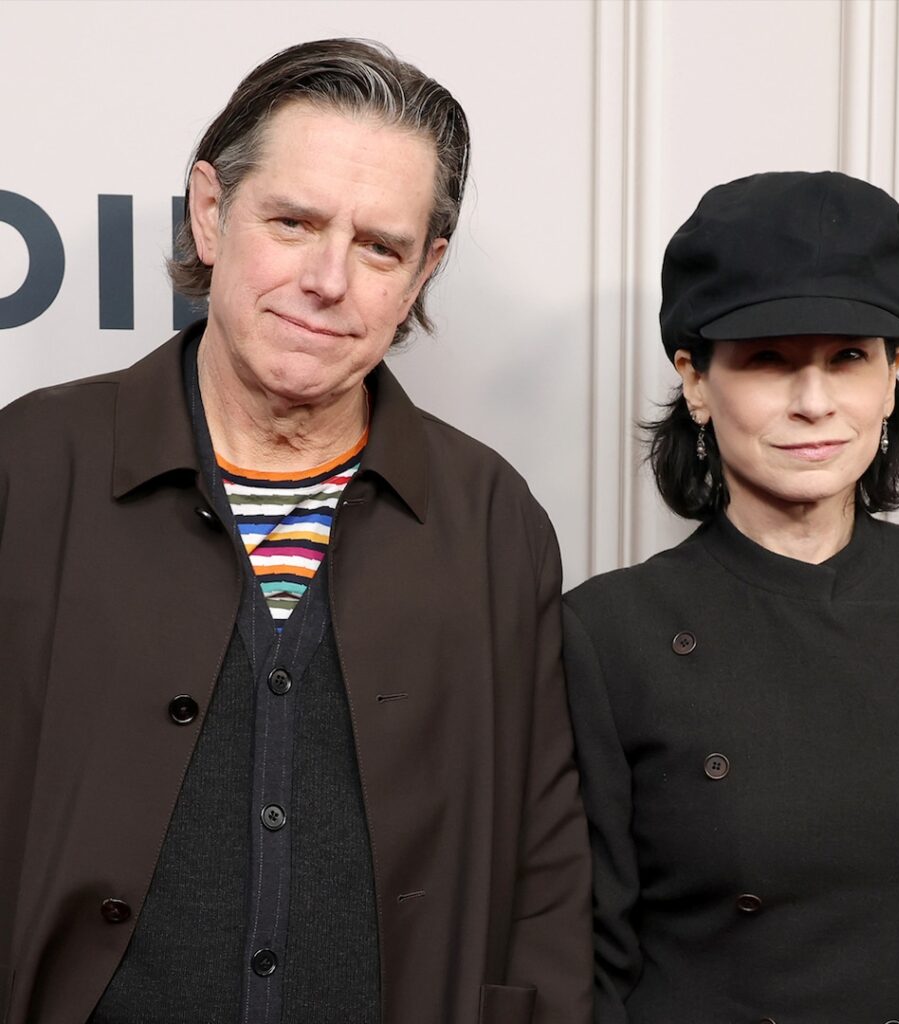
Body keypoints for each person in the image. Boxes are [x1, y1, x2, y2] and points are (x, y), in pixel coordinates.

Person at [0, 39, 591, 1024]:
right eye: (294, 222)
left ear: (423, 271)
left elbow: (546, 874)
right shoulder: (29, 469)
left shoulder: (492, 520)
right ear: (210, 211)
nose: (328, 279)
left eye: (379, 247)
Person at [563, 170, 899, 1023]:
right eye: (769, 360)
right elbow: (588, 961)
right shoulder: (607, 632)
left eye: (848, 357)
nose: (814, 403)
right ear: (696, 381)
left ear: (892, 374)